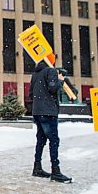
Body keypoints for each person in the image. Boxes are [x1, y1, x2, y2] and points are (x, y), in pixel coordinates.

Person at [29, 53, 72, 183]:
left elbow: (31, 94)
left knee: (41, 140)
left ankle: (37, 167)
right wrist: (60, 80)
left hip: (37, 111)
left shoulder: (35, 74)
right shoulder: (51, 71)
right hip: (48, 112)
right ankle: (56, 170)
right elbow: (53, 89)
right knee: (54, 140)